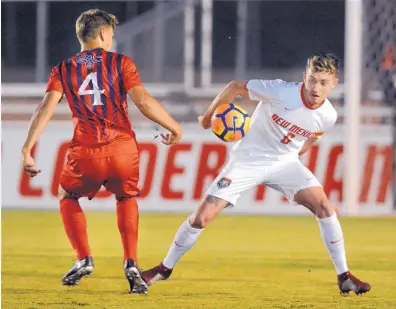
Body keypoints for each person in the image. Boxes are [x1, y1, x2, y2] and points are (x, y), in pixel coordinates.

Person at [141, 52, 371, 295]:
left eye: (323, 82)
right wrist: (207, 119)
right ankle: (164, 269)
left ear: (334, 84)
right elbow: (235, 87)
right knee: (201, 218)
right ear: (305, 77)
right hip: (247, 160)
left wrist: (293, 160)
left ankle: (344, 276)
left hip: (285, 164)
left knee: (324, 207)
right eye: (312, 80)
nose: (316, 87)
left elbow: (311, 137)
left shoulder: (329, 116)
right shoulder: (281, 92)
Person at [20, 9, 182, 295]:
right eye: (112, 35)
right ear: (105, 34)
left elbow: (45, 108)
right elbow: (143, 101)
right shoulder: (121, 62)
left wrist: (27, 148)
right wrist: (174, 127)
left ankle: (83, 257)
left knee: (67, 195)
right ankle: (131, 263)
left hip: (85, 153)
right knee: (126, 197)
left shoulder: (63, 68)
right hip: (122, 150)